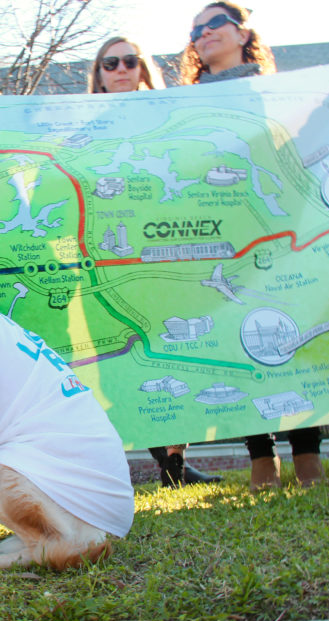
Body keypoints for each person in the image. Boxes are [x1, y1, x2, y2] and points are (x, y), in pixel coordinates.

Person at [179, 2, 329, 490]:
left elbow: (311, 136)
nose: (204, 33)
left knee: (291, 332)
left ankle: (307, 455)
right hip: (219, 233)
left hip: (278, 226)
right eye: (195, 29)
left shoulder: (282, 91)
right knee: (236, 338)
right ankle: (260, 459)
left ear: (243, 32)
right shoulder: (177, 104)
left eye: (214, 23)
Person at [88, 37, 220, 488]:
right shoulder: (82, 126)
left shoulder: (171, 116)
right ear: (99, 74)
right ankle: (165, 466)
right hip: (108, 261)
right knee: (130, 357)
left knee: (175, 354)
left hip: (165, 253)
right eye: (111, 62)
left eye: (130, 61)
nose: (121, 68)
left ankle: (176, 466)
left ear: (143, 69)